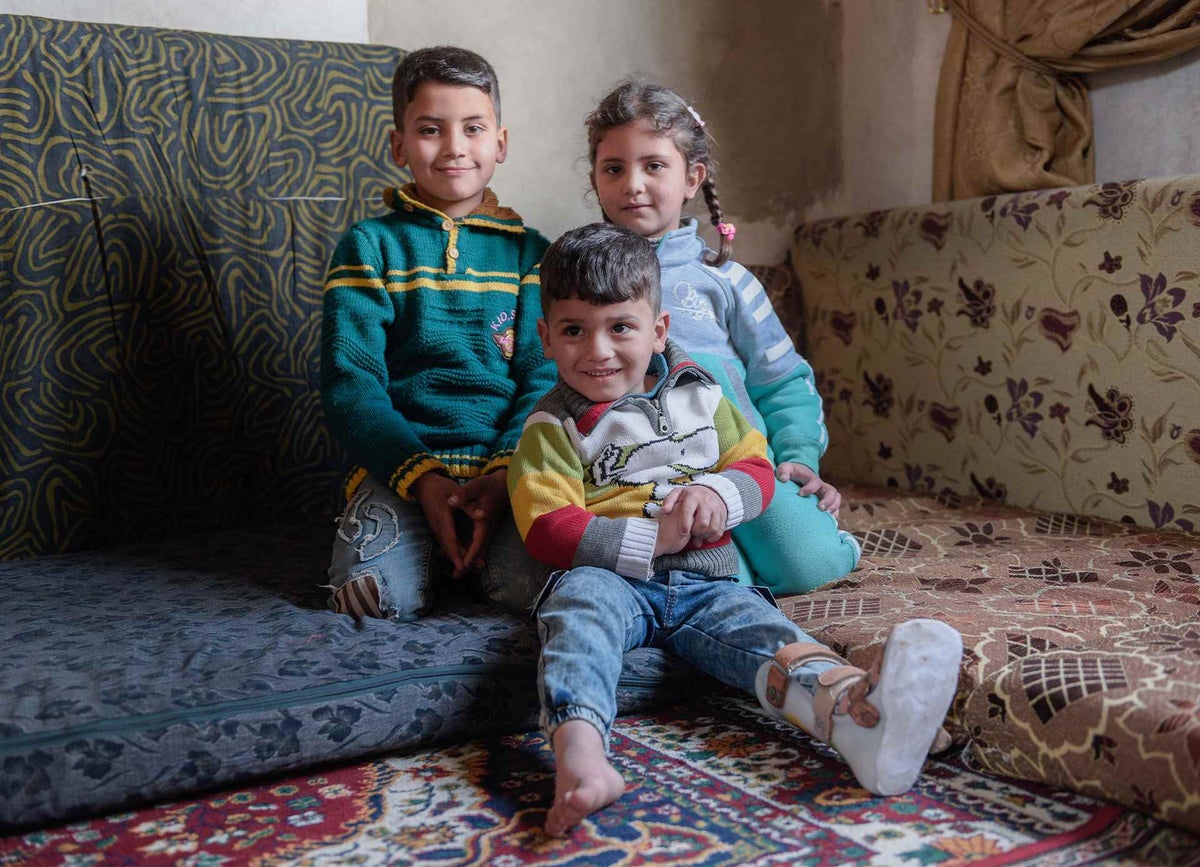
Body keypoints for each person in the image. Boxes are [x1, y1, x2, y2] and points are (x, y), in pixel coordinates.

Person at [508, 223, 962, 837]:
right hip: (607, 578)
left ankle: (859, 713)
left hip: (707, 580)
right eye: (573, 331)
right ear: (545, 338)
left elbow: (753, 465)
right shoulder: (552, 427)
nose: (598, 351)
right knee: (574, 623)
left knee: (767, 634)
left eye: (620, 327)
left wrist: (719, 495)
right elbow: (546, 524)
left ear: (659, 330)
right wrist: (651, 540)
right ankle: (582, 759)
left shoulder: (701, 395)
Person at [582, 79, 861, 595]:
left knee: (811, 564)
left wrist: (797, 453)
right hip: (637, 478)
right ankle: (721, 574)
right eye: (614, 168)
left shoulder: (726, 281)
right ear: (596, 180)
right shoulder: (579, 282)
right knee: (705, 575)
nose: (633, 184)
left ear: (693, 178)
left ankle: (786, 550)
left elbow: (783, 381)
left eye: (654, 166)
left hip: (740, 465)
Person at [320, 46, 554, 621]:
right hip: (399, 471)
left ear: (499, 142)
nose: (453, 147)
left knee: (542, 591)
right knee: (372, 597)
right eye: (430, 130)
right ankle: (418, 556)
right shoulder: (369, 247)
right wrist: (421, 478)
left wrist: (504, 471)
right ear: (399, 145)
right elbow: (352, 384)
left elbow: (545, 378)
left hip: (507, 472)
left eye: (473, 129)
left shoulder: (534, 255)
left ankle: (469, 559)